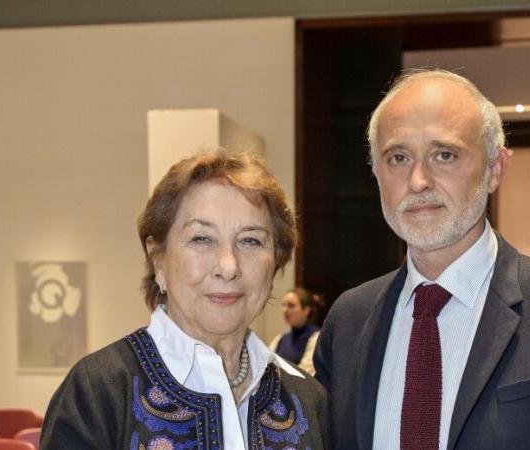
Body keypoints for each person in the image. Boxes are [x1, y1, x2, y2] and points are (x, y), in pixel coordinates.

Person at [313, 68, 530, 450]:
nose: (418, 180)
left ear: (495, 169)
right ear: (376, 173)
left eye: (444, 155)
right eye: (398, 157)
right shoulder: (348, 322)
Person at [41, 150, 329, 449]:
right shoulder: (99, 391)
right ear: (158, 260)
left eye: (250, 240)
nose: (228, 266)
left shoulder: (306, 399)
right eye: (201, 239)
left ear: (276, 264)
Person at [269, 287, 321, 375]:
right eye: (284, 305)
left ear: (306, 310)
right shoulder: (280, 339)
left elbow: (304, 374)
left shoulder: (316, 338)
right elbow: (266, 364)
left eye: (291, 305)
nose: (285, 310)